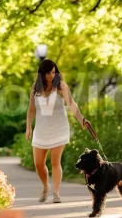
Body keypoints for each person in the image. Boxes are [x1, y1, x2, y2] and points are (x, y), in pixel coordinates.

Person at [26, 59, 90, 203]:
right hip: (41, 130)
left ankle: (56, 193)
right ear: (42, 74)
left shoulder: (60, 86)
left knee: (55, 161)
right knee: (38, 163)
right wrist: (28, 127)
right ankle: (45, 187)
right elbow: (31, 109)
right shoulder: (35, 88)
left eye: (54, 72)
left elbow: (72, 104)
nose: (52, 76)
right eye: (49, 73)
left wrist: (82, 121)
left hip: (59, 128)